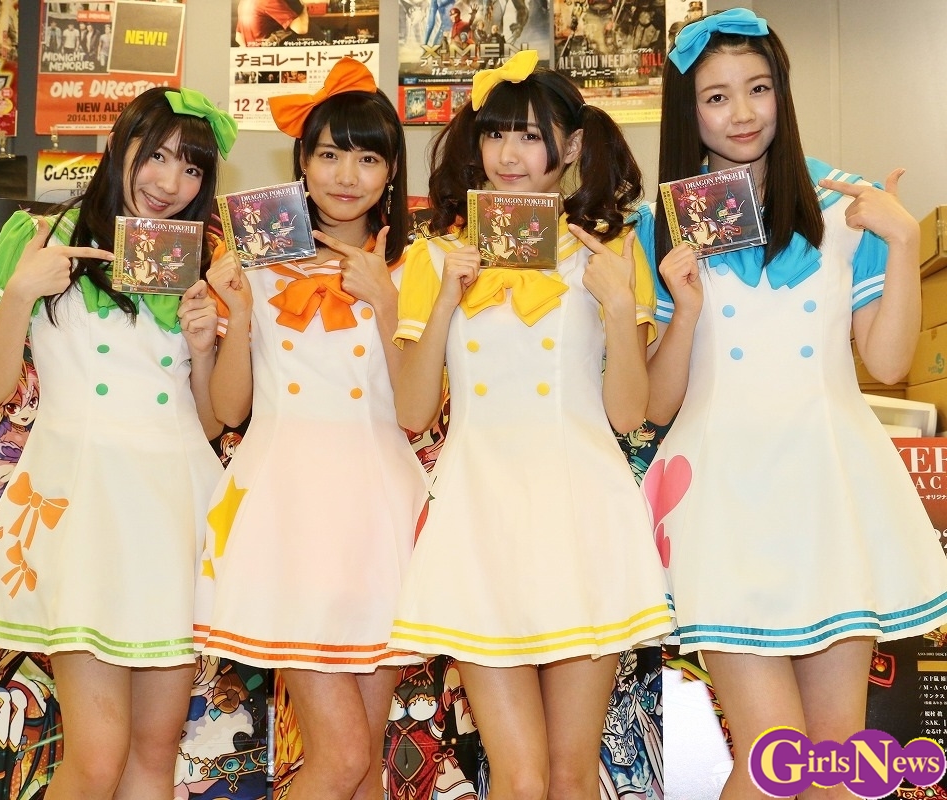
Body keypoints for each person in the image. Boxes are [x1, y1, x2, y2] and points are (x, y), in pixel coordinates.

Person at [637, 9, 947, 799]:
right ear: (688, 111)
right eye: (716, 97)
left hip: (827, 493)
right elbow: (656, 404)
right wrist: (684, 304)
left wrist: (904, 245)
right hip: (723, 498)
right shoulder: (661, 223)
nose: (742, 113)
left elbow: (886, 363)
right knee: (773, 758)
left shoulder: (846, 204)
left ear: (782, 91)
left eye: (759, 88)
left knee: (834, 757)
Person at [387, 50, 673, 799]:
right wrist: (445, 297)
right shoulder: (434, 254)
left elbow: (629, 414)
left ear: (571, 147)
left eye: (531, 136)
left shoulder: (612, 250)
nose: (509, 155)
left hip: (581, 511)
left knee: (572, 777)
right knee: (517, 777)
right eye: (495, 134)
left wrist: (619, 303)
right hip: (480, 513)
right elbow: (413, 412)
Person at [0, 86, 238, 800]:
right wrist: (22, 291)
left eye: (192, 168)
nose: (170, 182)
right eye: (158, 155)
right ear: (122, 144)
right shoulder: (39, 236)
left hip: (171, 510)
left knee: (154, 752)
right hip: (82, 508)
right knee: (98, 757)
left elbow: (208, 422)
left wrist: (206, 345)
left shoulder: (203, 260)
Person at [195, 57, 425, 800]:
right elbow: (230, 411)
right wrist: (236, 312)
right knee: (342, 757)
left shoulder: (415, 265)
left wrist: (387, 303)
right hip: (287, 512)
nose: (346, 175)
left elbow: (418, 409)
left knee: (365, 764)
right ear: (302, 160)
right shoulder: (252, 263)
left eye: (367, 158)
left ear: (392, 172)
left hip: (381, 515)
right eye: (329, 154)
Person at [234, 0, 309, 46]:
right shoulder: (269, 1)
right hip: (270, 59)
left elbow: (238, 37)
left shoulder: (243, 2)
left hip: (253, 60)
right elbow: (301, 28)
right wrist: (304, 10)